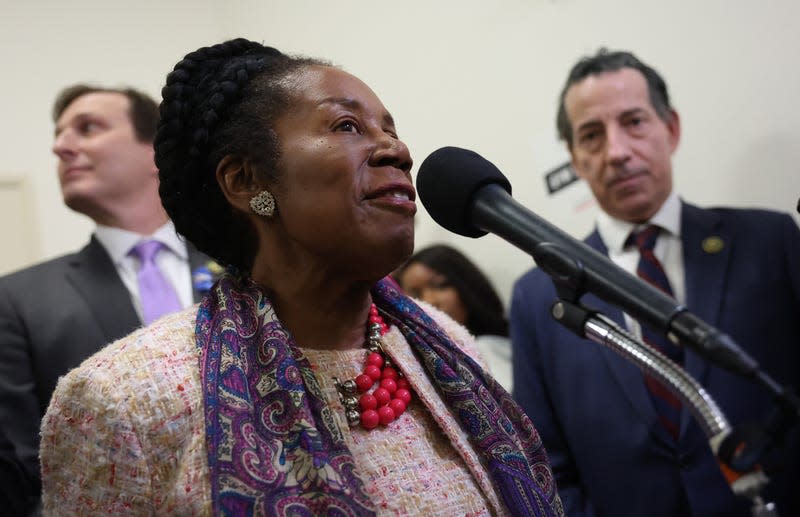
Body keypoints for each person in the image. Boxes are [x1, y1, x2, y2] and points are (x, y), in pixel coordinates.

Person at [39, 38, 563, 516]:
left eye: (392, 130)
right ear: (245, 182)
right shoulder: (124, 398)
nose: (397, 150)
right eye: (347, 126)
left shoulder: (448, 345)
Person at [510, 48, 800, 517]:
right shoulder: (538, 296)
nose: (618, 151)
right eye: (591, 135)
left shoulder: (770, 240)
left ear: (672, 129)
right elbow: (547, 467)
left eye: (634, 122)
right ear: (575, 159)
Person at [0, 84, 213, 514]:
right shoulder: (18, 299)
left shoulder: (246, 268)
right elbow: (23, 480)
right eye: (59, 135)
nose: (61, 147)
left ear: (155, 151)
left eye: (88, 128)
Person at [395, 244, 512, 390]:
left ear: (466, 286)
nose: (429, 301)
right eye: (415, 294)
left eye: (439, 286)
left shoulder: (501, 347)